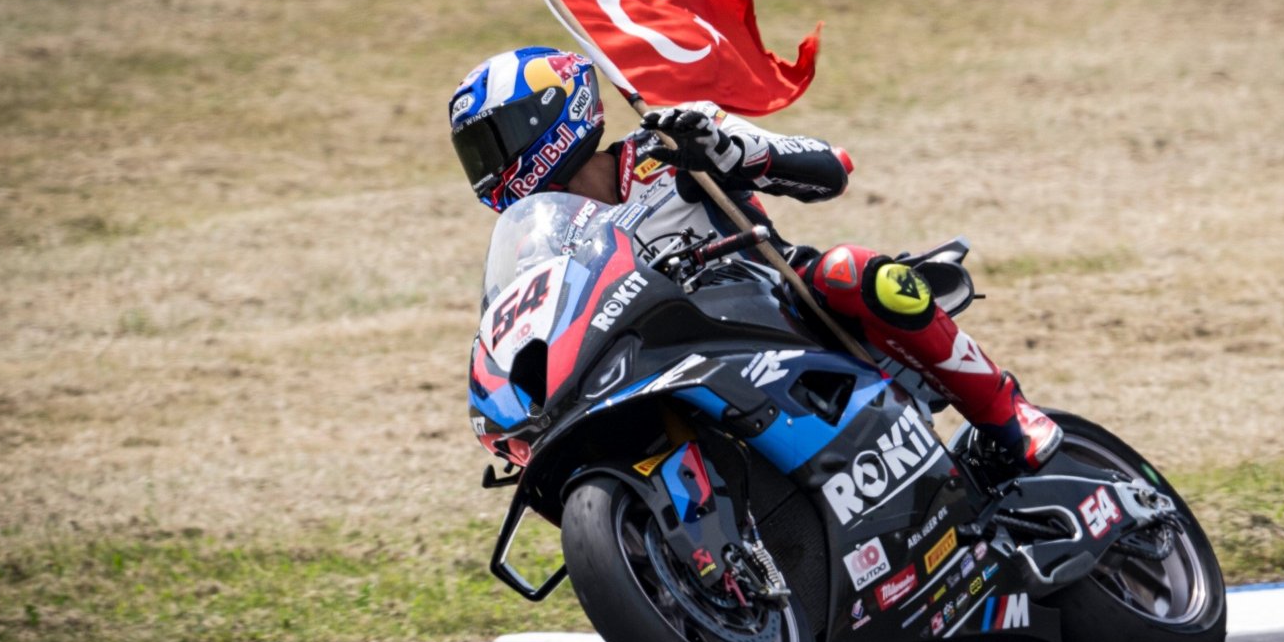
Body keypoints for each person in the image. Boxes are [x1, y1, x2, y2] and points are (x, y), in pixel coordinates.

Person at [448, 45, 1062, 474]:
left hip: (777, 304)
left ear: (552, 115)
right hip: (662, 357)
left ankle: (1009, 416)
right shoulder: (540, 239)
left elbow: (831, 170)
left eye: (494, 141)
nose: (488, 166)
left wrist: (727, 148)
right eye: (476, 152)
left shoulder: (668, 145)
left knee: (854, 269)